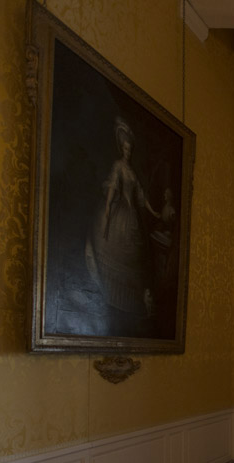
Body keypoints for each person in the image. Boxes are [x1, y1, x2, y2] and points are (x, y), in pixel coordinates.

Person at [89, 117, 163, 317]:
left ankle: (132, 301)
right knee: (117, 251)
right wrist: (107, 212)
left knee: (134, 257)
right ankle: (110, 296)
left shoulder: (132, 171)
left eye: (130, 150)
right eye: (125, 149)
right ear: (122, 149)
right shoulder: (118, 166)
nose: (128, 152)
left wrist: (154, 212)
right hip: (120, 214)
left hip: (132, 215)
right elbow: (113, 189)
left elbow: (141, 195)